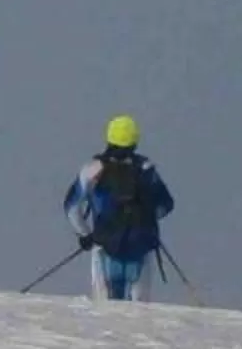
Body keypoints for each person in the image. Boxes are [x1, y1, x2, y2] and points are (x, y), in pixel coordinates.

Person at [65, 116, 175, 300]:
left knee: (106, 315)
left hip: (103, 250)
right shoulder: (147, 169)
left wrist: (85, 235)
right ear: (135, 139)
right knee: (138, 317)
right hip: (141, 251)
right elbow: (166, 205)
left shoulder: (92, 170)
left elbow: (71, 208)